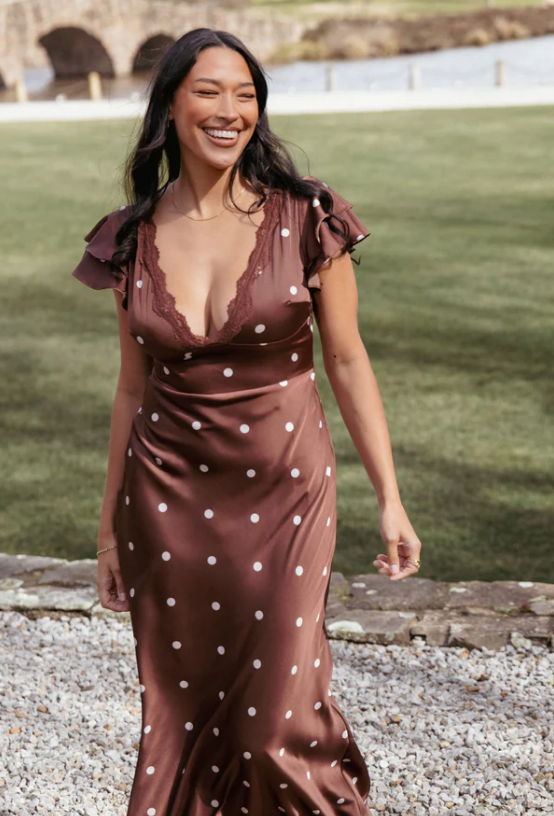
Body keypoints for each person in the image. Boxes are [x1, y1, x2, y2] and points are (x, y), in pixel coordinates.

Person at [71, 27, 422, 816]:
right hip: (165, 503)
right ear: (170, 106)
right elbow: (131, 391)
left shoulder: (307, 216)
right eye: (209, 91)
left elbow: (347, 361)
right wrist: (107, 532)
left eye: (247, 94)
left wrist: (391, 498)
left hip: (287, 492)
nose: (231, 110)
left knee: (273, 725)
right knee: (182, 714)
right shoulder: (129, 236)